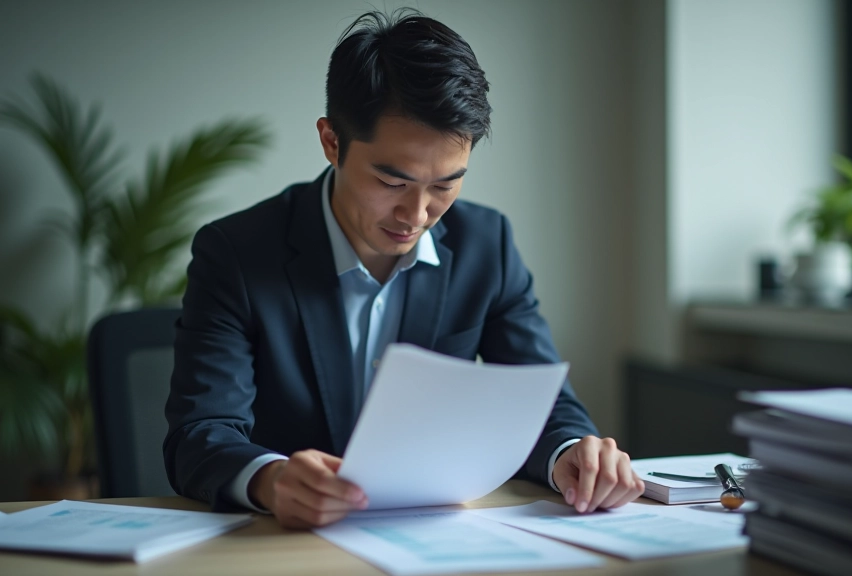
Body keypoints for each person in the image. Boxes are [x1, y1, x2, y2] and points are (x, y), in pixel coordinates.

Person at [163, 9, 644, 529]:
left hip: (434, 542)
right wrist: (270, 480)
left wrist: (573, 453)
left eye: (444, 185)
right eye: (393, 183)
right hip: (286, 543)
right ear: (331, 142)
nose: (417, 216)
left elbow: (544, 405)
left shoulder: (488, 246)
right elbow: (201, 433)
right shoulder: (235, 253)